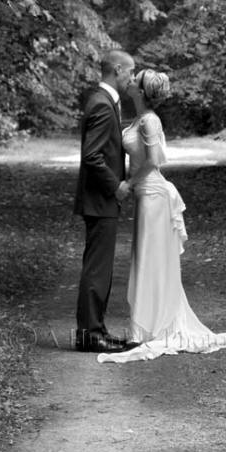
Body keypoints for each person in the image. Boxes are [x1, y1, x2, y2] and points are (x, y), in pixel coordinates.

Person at [98, 69, 226, 363]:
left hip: (153, 196)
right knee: (145, 260)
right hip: (145, 196)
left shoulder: (150, 121)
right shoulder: (138, 118)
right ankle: (146, 326)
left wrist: (128, 185)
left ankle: (149, 330)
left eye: (135, 79)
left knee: (150, 260)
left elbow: (154, 161)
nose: (130, 80)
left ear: (141, 91)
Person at [74, 50, 135, 353]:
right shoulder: (101, 103)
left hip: (100, 201)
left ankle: (96, 329)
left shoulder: (104, 100)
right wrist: (116, 187)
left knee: (100, 269)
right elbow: (92, 156)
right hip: (100, 199)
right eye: (130, 72)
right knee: (97, 270)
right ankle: (89, 335)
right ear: (117, 69)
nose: (132, 78)